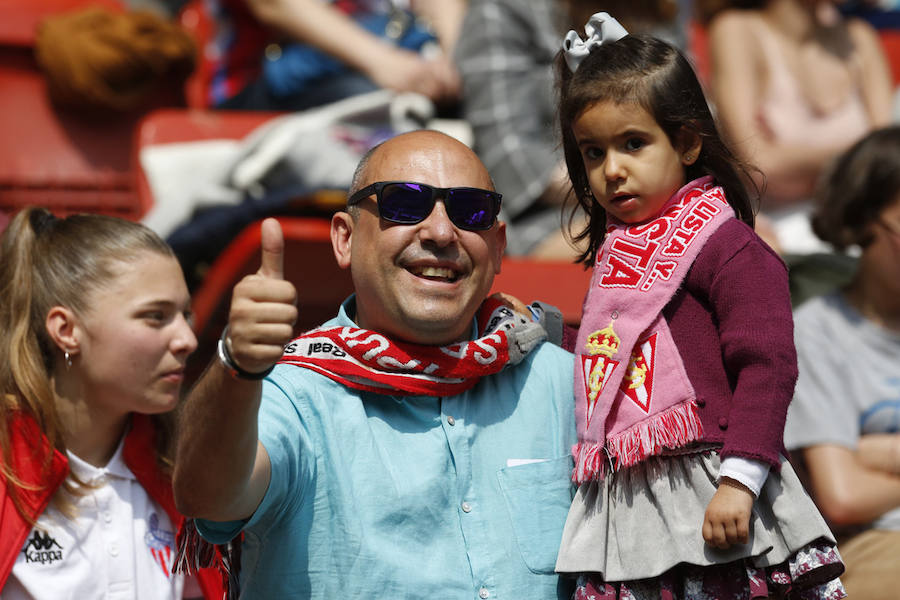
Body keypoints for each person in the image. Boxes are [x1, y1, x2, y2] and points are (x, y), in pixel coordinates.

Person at [171, 129, 578, 598]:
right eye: (404, 204)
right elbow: (207, 496)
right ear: (344, 239)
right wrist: (235, 366)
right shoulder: (293, 394)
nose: (442, 232)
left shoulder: (560, 383)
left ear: (499, 246)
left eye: (471, 211)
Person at [551, 14, 845, 598]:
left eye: (633, 144)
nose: (612, 170)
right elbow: (609, 356)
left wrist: (740, 480)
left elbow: (767, 365)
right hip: (633, 498)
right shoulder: (617, 256)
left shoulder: (728, 246)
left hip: (719, 485)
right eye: (592, 152)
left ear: (686, 142)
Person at [0, 208, 223, 599]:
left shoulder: (185, 471)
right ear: (66, 331)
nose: (187, 339)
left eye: (184, 315)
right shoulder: (8, 473)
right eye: (156, 317)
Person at [454, 0, 685, 259]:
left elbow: (689, 113)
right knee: (649, 244)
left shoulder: (656, 9)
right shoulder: (504, 8)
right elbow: (509, 152)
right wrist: (622, 191)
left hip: (665, 201)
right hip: (550, 217)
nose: (613, 169)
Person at [783, 125, 900, 600]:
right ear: (867, 221)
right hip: (864, 548)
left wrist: (875, 452)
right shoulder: (817, 331)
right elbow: (843, 495)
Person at [706, 0, 893, 255]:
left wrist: (791, 160)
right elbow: (758, 166)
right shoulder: (736, 31)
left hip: (865, 233)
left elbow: (886, 164)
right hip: (781, 242)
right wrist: (860, 154)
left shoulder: (860, 37)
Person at [207, 0, 465, 112]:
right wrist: (386, 64)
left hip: (404, 63)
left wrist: (453, 60)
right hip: (263, 82)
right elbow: (274, 6)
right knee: (374, 106)